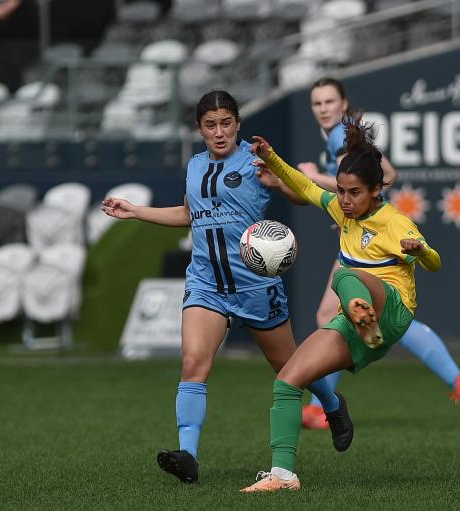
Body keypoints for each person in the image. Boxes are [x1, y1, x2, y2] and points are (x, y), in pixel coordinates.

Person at [101, 90, 351, 485]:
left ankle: (333, 404)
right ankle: (188, 455)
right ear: (199, 129)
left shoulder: (255, 159)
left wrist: (277, 177)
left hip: (256, 286)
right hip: (206, 285)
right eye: (210, 125)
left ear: (238, 123)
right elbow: (188, 213)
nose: (219, 132)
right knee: (192, 364)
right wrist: (136, 212)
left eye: (226, 123)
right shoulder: (195, 165)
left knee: (290, 369)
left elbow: (301, 196)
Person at [240, 114, 443, 492]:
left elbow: (435, 262)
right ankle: (283, 476)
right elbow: (303, 184)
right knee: (287, 380)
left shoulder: (395, 222)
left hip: (393, 311)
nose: (345, 201)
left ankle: (361, 316)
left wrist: (421, 250)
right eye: (341, 191)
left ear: (376, 191)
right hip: (357, 320)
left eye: (354, 193)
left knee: (342, 276)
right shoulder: (340, 208)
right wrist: (272, 158)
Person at [293, 78, 460, 430]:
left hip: (371, 237)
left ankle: (322, 406)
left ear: (344, 103)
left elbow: (353, 181)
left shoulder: (339, 137)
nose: (324, 109)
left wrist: (314, 177)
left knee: (331, 313)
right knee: (388, 318)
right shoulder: (346, 135)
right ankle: (459, 380)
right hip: (370, 230)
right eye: (317, 103)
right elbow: (389, 173)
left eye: (330, 101)